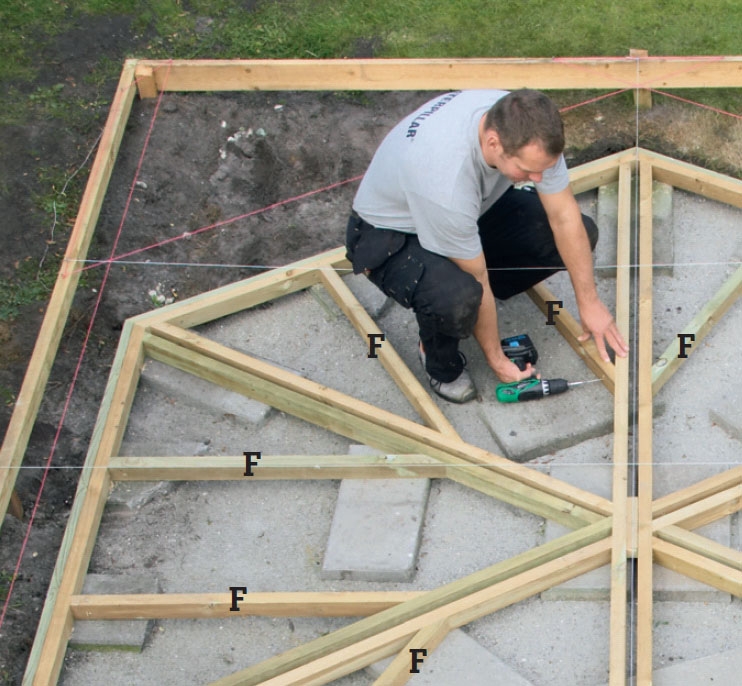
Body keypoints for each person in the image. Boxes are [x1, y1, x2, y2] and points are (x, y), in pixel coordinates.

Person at [346, 89, 628, 403]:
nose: (537, 178)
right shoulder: (446, 181)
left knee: (581, 233)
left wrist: (589, 302)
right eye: (527, 170)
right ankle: (437, 360)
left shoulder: (530, 125)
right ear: (493, 143)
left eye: (543, 169)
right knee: (459, 297)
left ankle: (479, 284)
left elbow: (564, 216)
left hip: (472, 210)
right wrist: (496, 358)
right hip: (389, 235)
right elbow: (477, 277)